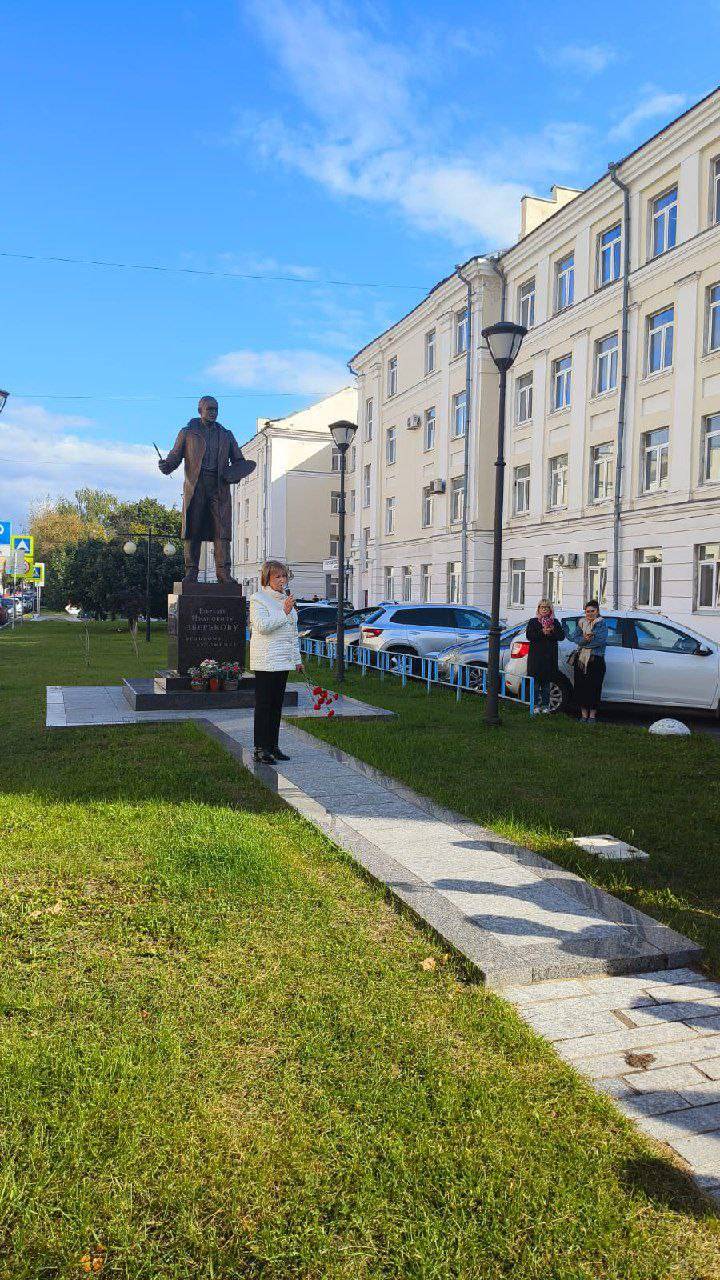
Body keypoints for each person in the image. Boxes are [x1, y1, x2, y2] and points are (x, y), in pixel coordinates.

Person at [158, 394, 255, 585]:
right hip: (196, 486)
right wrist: (166, 466)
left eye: (216, 410)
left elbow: (239, 461)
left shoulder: (226, 435)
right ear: (199, 410)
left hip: (219, 487)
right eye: (209, 409)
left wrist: (234, 474)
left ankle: (223, 573)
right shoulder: (187, 433)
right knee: (192, 530)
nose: (213, 413)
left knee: (222, 532)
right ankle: (191, 572)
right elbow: (174, 457)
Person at [249, 560, 303, 764]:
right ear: (267, 579)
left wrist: (297, 659)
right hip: (266, 660)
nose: (282, 580)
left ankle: (273, 746)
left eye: (284, 576)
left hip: (283, 660)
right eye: (277, 576)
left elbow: (292, 633)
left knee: (276, 705)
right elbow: (262, 626)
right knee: (264, 705)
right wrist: (285, 611)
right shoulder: (259, 599)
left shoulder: (285, 600)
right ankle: (260, 749)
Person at [572, 599, 608, 723]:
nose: (590, 613)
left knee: (594, 688)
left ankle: (592, 716)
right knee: (581, 687)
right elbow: (575, 638)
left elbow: (599, 641)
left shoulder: (601, 623)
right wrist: (584, 640)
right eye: (587, 611)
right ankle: (583, 715)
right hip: (581, 660)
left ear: (597, 611)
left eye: (592, 611)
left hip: (595, 660)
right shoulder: (581, 622)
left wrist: (583, 643)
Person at [526, 599, 564, 714]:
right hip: (536, 660)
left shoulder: (555, 622)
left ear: (550, 609)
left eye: (547, 607)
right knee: (535, 685)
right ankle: (535, 706)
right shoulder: (533, 622)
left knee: (547, 685)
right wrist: (542, 632)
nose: (544, 609)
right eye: (542, 607)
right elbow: (529, 636)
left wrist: (551, 632)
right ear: (538, 609)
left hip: (549, 659)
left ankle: (545, 706)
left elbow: (561, 636)